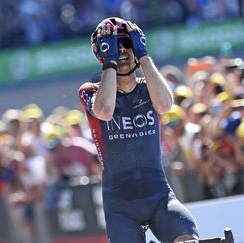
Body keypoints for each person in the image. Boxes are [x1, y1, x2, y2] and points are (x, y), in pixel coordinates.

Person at [78, 17, 199, 243]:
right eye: (114, 46)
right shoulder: (90, 91)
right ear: (100, 54)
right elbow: (104, 111)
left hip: (160, 197)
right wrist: (110, 63)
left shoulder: (150, 88)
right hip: (119, 205)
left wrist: (143, 56)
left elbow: (164, 105)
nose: (122, 50)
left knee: (187, 241)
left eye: (127, 44)